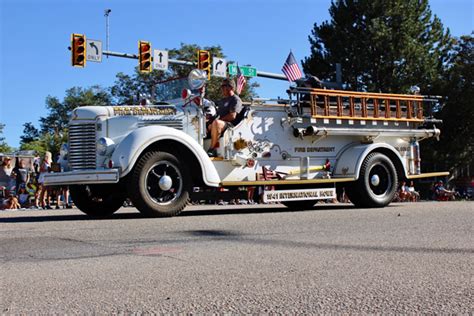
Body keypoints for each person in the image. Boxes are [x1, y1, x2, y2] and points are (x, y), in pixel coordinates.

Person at [207, 78, 243, 157]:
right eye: (221, 86)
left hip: (231, 125)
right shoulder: (222, 101)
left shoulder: (235, 99)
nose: (222, 88)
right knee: (204, 125)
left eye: (224, 86)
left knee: (216, 123)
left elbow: (232, 116)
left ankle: (212, 149)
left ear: (230, 87)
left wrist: (217, 121)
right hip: (222, 123)